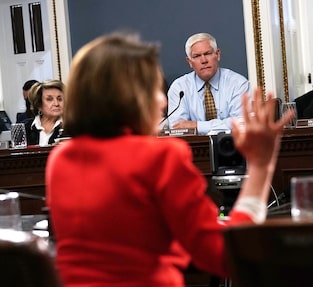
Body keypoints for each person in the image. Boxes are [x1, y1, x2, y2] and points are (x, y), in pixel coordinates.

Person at [45, 33, 293, 287]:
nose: (163, 100)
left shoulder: (60, 159)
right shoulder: (159, 157)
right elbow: (224, 253)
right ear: (127, 97)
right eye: (153, 89)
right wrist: (262, 166)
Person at [167, 32, 250, 135]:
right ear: (189, 62)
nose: (204, 60)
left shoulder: (238, 84)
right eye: (197, 56)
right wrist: (225, 124)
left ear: (217, 55)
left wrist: (197, 126)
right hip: (194, 149)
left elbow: (242, 123)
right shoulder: (179, 88)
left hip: (232, 147)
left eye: (207, 53)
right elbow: (177, 128)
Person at [25, 79, 64, 146]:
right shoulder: (26, 128)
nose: (56, 104)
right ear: (39, 104)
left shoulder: (72, 127)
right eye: (49, 99)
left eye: (60, 99)